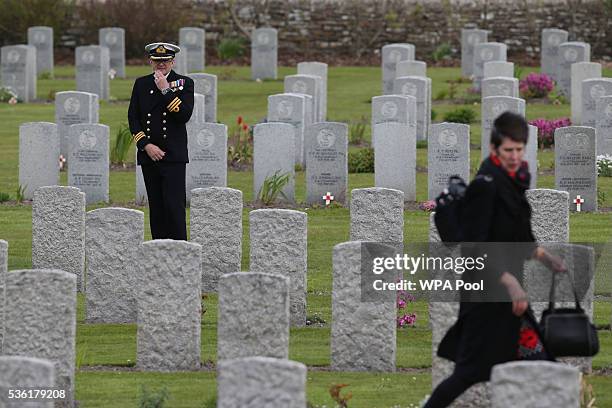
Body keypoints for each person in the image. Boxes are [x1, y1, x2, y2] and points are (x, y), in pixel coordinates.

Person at [424, 112, 566, 407]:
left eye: (518, 149)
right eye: (508, 150)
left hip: (511, 302)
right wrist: (510, 282)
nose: (514, 156)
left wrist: (546, 258)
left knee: (540, 364)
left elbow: (520, 237)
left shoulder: (513, 184)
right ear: (494, 149)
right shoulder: (485, 186)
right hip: (487, 298)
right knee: (468, 373)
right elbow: (475, 246)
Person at [128, 42, 194, 240]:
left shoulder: (184, 83)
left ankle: (180, 250)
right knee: (156, 208)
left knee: (174, 207)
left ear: (172, 62)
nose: (161, 65)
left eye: (165, 61)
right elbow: (133, 118)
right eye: (157, 61)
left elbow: (184, 115)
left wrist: (165, 90)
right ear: (150, 61)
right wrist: (146, 145)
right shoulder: (141, 84)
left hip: (173, 156)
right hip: (150, 155)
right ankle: (158, 251)